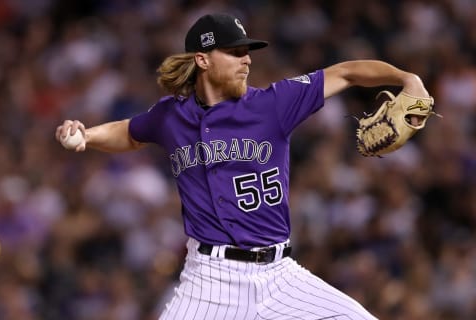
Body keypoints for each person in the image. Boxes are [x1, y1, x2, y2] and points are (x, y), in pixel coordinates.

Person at [55, 13, 431, 320]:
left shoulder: (273, 104)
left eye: (247, 51)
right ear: (202, 59)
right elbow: (130, 132)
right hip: (209, 281)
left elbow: (347, 71)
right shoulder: (171, 116)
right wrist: (88, 135)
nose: (247, 59)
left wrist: (406, 78)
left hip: (281, 275)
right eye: (235, 52)